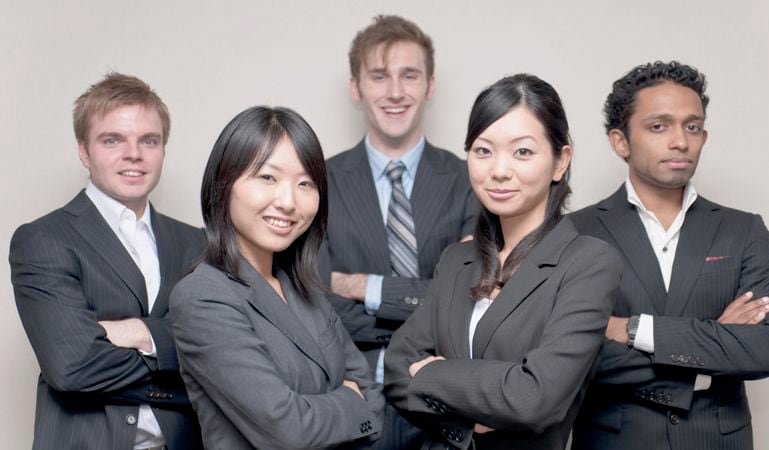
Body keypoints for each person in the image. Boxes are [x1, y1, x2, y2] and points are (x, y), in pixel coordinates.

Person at [384, 74, 623, 449]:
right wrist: (471, 421)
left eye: (522, 152)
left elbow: (534, 399)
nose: (498, 170)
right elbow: (397, 367)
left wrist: (429, 375)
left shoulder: (588, 263)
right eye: (483, 150)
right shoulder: (456, 259)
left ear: (560, 161)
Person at [570, 61, 769, 450]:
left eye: (692, 127)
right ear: (620, 141)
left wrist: (634, 330)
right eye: (659, 126)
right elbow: (575, 359)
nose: (680, 141)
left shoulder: (743, 230)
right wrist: (711, 350)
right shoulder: (575, 233)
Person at [170, 106, 384, 449]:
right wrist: (350, 401)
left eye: (305, 183)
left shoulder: (304, 290)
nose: (288, 202)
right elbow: (286, 430)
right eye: (268, 178)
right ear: (223, 184)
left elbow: (373, 397)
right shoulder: (203, 296)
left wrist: (337, 406)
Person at [9, 72, 204, 449]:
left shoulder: (197, 243)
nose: (134, 154)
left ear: (163, 150)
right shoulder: (43, 240)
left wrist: (137, 332)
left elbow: (223, 352)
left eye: (149, 140)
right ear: (84, 151)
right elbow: (72, 366)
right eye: (112, 140)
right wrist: (173, 351)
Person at [319, 14, 477, 449]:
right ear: (356, 87)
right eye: (378, 76)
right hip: (349, 399)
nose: (394, 92)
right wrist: (433, 305)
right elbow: (315, 302)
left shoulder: (471, 180)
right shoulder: (317, 183)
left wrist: (361, 286)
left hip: (445, 400)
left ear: (430, 85)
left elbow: (470, 299)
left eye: (409, 75)